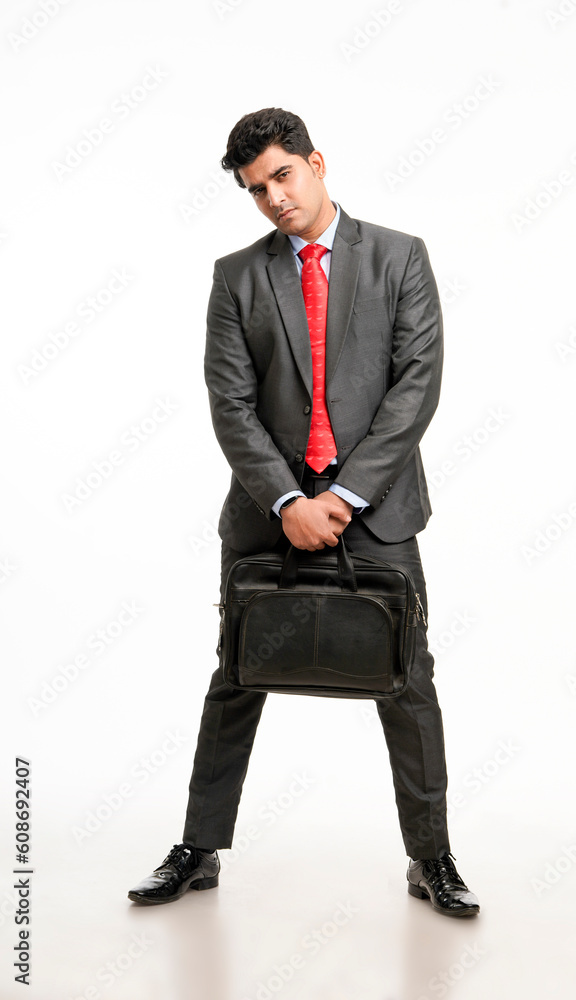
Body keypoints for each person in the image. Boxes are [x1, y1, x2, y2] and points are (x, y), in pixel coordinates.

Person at [128, 108, 480, 917]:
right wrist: (288, 500)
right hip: (268, 516)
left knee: (408, 681)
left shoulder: (398, 256)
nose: (274, 198)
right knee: (235, 678)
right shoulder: (236, 276)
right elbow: (229, 402)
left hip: (376, 513)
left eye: (282, 176)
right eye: (256, 190)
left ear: (316, 163)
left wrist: (342, 497)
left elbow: (415, 386)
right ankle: (199, 849)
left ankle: (431, 858)